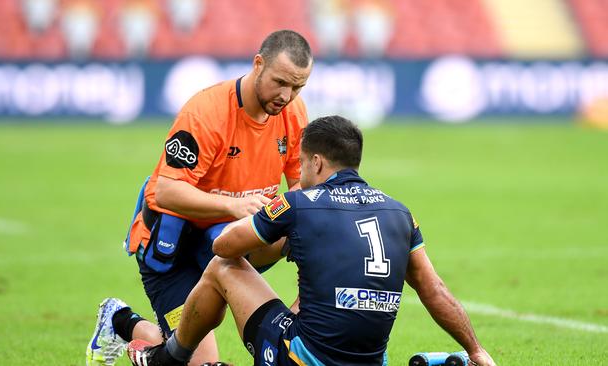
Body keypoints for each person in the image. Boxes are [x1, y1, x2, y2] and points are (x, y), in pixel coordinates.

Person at [126, 115, 497, 366]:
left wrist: (257, 218)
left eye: (301, 164)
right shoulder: (399, 213)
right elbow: (434, 290)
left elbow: (224, 248)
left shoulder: (299, 204)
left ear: (317, 162)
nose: (299, 173)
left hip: (303, 359)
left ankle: (165, 359)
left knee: (223, 267)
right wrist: (476, 350)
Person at [85, 29, 313, 366]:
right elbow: (167, 190)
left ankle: (306, 316)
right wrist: (234, 206)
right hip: (174, 249)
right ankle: (120, 320)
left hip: (229, 244)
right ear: (258, 64)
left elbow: (302, 187)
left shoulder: (293, 115)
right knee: (192, 360)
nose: (286, 95)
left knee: (304, 225)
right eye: (280, 82)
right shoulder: (206, 113)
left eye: (297, 87)